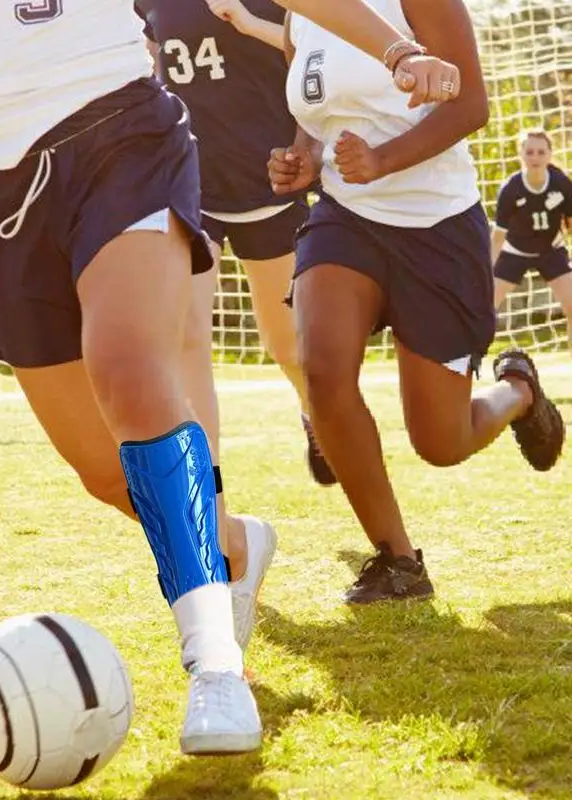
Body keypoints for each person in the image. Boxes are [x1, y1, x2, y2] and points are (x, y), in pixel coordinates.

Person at [0, 0, 460, 754]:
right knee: (105, 472)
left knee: (132, 375)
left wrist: (398, 51)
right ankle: (231, 542)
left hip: (121, 135)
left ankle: (216, 668)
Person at [269, 0, 566, 605]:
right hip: (346, 216)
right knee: (322, 370)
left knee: (441, 443)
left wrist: (382, 160)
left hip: (437, 227)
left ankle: (518, 391)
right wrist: (303, 159)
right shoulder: (302, 13)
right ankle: (397, 560)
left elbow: (472, 104)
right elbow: (315, 120)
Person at [135, 0, 336, 486]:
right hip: (188, 182)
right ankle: (207, 493)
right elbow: (152, 57)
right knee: (185, 338)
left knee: (285, 343)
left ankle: (314, 413)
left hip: (268, 180)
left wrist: (249, 24)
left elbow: (316, 52)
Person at [491, 129, 572, 355]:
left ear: (550, 154)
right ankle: (470, 360)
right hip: (514, 251)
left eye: (541, 152)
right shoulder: (510, 189)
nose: (535, 157)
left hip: (551, 249)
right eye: (529, 152)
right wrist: (486, 268)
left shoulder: (562, 184)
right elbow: (498, 236)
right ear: (520, 154)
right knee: (484, 308)